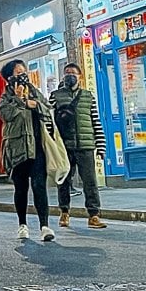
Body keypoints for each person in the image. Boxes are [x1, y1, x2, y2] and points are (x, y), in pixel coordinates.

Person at [0, 61, 55, 243]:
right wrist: (17, 99)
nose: (23, 75)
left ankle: (44, 226)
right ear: (9, 78)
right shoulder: (6, 96)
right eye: (18, 72)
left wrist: (32, 103)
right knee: (21, 188)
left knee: (39, 186)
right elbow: (5, 114)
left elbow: (47, 108)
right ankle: (22, 224)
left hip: (37, 147)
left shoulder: (33, 91)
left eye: (24, 71)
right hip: (17, 148)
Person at [50, 60, 108, 230]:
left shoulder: (88, 96)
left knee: (90, 182)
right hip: (64, 146)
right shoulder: (55, 96)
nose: (70, 75)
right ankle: (64, 212)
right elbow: (48, 120)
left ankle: (94, 215)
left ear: (80, 77)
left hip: (86, 145)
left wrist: (101, 145)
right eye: (67, 72)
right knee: (64, 181)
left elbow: (95, 121)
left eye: (73, 73)